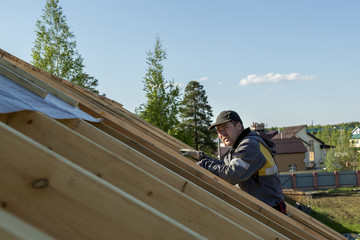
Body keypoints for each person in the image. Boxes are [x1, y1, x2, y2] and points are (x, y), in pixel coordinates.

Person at [180, 110, 286, 214]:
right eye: (219, 131)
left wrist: (203, 165)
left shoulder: (250, 145)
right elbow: (224, 167)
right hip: (258, 207)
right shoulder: (237, 146)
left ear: (238, 126)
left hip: (269, 211)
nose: (222, 134)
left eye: (225, 128)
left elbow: (232, 174)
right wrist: (201, 157)